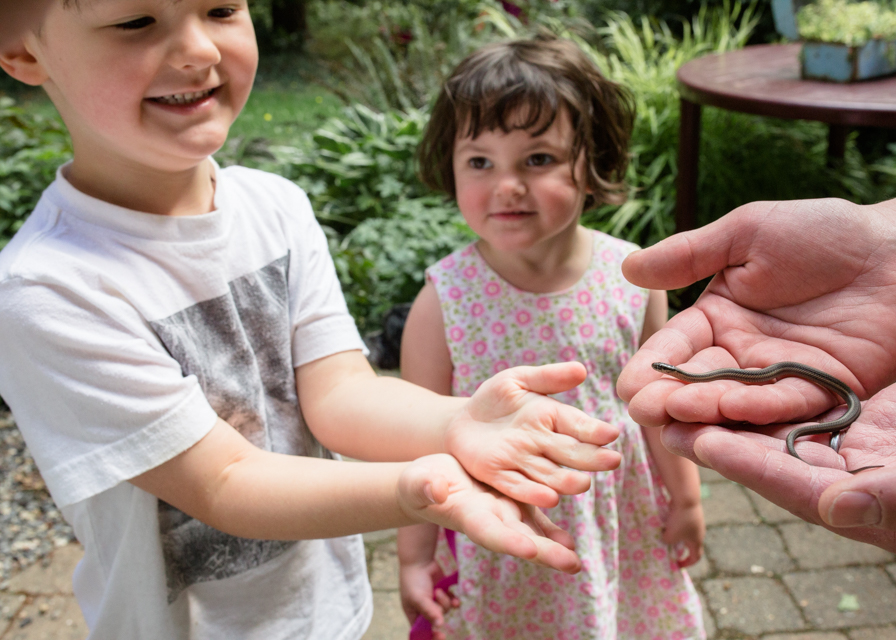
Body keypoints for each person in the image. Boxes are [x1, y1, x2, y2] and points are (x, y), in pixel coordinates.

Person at [0, 3, 625, 638]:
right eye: (136, 22)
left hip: (327, 611)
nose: (199, 50)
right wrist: (419, 488)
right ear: (24, 51)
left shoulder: (275, 208)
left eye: (220, 9)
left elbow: (342, 394)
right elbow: (223, 481)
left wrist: (455, 421)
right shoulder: (50, 289)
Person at [399, 35, 707, 640]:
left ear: (591, 160)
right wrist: (414, 555)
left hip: (619, 521)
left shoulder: (633, 279)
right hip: (504, 529)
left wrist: (688, 501)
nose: (506, 185)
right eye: (480, 162)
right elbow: (418, 438)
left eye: (537, 159)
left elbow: (659, 406)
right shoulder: (443, 302)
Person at [616, 164, 896, 563]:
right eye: (667, 371)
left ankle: (808, 434)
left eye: (667, 370)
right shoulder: (694, 372)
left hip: (822, 384)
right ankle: (808, 434)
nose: (667, 371)